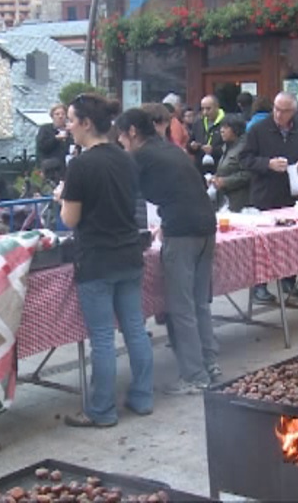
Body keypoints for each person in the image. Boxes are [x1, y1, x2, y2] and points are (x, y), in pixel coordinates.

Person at [54, 93, 153, 428]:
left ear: (85, 123)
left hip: (97, 258)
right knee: (135, 328)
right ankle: (142, 397)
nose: (67, 127)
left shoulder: (81, 164)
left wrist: (61, 197)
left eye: (70, 120)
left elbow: (69, 219)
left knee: (102, 337)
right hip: (129, 252)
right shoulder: (126, 158)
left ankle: (102, 409)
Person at [115, 107, 220, 394]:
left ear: (132, 133)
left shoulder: (140, 156)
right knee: (200, 302)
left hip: (182, 231)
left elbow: (122, 191)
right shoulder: (170, 149)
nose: (120, 143)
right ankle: (210, 364)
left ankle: (195, 377)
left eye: (121, 137)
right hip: (206, 225)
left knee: (181, 306)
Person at [240, 92, 298, 302]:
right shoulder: (258, 129)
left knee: (289, 239)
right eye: (276, 108)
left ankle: (288, 279)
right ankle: (260, 285)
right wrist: (267, 164)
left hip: (291, 192)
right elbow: (245, 159)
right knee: (263, 240)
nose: (278, 114)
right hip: (265, 192)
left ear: (293, 112)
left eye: (283, 111)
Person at [212, 116, 251, 212]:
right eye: (221, 127)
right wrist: (216, 178)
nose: (222, 131)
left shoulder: (244, 147)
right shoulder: (226, 146)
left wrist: (225, 181)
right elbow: (226, 168)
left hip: (240, 199)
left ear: (236, 129)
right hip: (225, 199)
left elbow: (248, 173)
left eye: (226, 128)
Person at [36, 103, 73, 182]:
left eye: (63, 114)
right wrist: (55, 139)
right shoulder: (45, 129)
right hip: (51, 170)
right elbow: (42, 146)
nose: (60, 116)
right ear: (52, 116)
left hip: (68, 169)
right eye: (57, 114)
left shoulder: (71, 131)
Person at [191, 95, 225, 174]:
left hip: (219, 169)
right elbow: (190, 141)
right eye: (202, 109)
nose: (205, 112)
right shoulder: (198, 123)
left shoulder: (226, 122)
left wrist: (213, 150)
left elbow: (232, 147)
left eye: (208, 109)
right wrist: (192, 146)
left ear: (217, 107)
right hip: (200, 169)